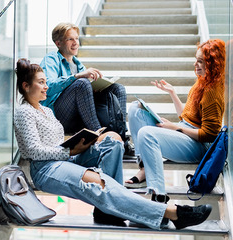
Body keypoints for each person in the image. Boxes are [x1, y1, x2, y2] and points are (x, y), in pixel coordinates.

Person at [14, 58, 212, 230]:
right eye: (41, 82)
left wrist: (80, 144)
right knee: (99, 183)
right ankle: (171, 212)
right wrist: (69, 150)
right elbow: (32, 150)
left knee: (113, 141)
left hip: (66, 157)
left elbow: (57, 142)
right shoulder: (24, 112)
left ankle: (106, 210)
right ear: (26, 86)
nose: (46, 86)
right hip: (46, 169)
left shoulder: (46, 111)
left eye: (46, 82)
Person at [125, 39, 226, 202]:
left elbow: (210, 135)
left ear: (212, 63)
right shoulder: (202, 81)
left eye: (201, 61)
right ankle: (144, 168)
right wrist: (172, 93)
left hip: (198, 146)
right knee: (136, 109)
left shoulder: (212, 92)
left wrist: (175, 128)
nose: (196, 64)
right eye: (196, 59)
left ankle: (158, 193)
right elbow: (186, 116)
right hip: (185, 131)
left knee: (146, 133)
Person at [40, 22, 134, 158]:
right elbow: (47, 87)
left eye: (76, 38)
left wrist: (96, 88)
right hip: (59, 117)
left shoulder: (78, 64)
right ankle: (99, 136)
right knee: (82, 83)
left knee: (117, 89)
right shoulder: (51, 59)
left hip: (79, 116)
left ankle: (121, 138)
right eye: (70, 39)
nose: (75, 43)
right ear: (58, 43)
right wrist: (76, 77)